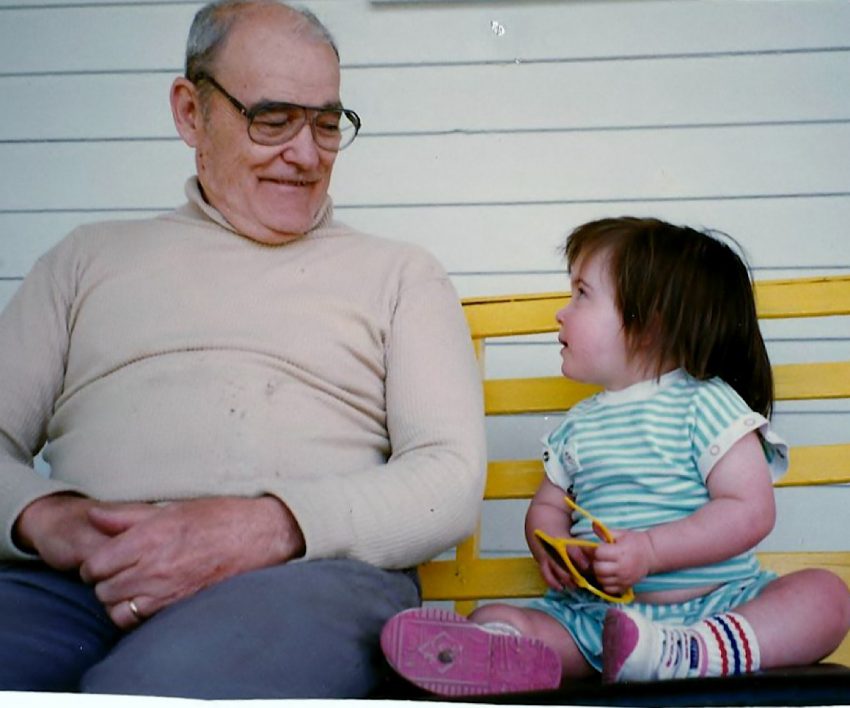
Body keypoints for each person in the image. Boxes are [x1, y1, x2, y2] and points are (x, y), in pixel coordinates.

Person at [0, 0, 486, 698]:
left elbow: (449, 478)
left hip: (300, 578)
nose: (307, 154)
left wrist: (274, 525)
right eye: (273, 118)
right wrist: (46, 519)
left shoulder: (400, 273)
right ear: (191, 113)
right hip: (72, 582)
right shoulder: (86, 260)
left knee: (160, 689)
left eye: (326, 123)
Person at [380, 217, 850, 697]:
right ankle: (498, 652)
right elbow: (548, 506)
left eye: (582, 294)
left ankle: (688, 653)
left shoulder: (706, 404)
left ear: (649, 322)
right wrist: (554, 542)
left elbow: (750, 510)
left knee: (826, 597)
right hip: (596, 623)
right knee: (495, 616)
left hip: (715, 608)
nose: (561, 313)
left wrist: (649, 552)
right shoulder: (578, 426)